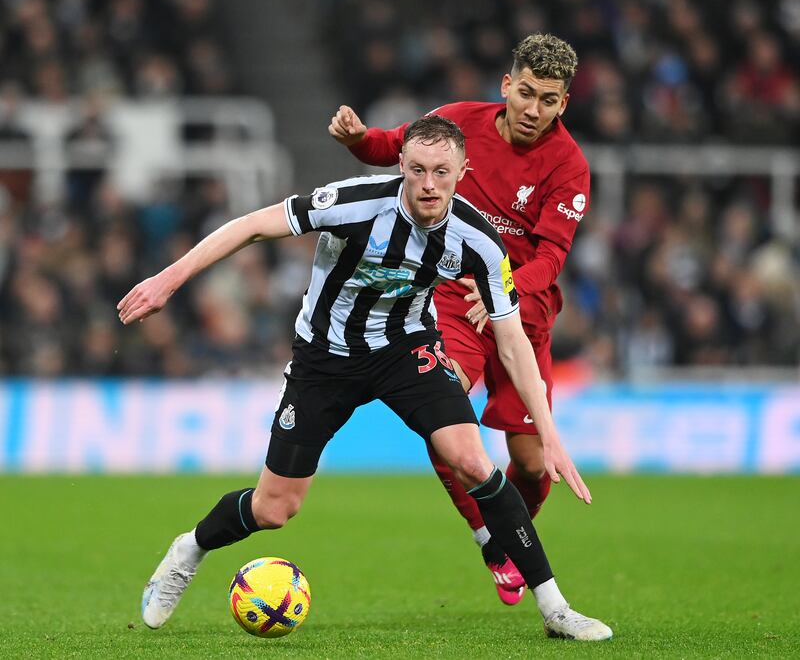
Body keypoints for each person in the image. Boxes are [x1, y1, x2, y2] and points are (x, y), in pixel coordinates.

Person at [119, 116, 611, 641]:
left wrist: (550, 434)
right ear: (400, 165)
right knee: (274, 508)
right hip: (324, 359)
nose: (428, 184)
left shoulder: (480, 242)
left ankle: (555, 609)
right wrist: (166, 281)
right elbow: (253, 225)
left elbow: (513, 342)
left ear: (463, 172)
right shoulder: (354, 203)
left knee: (473, 461)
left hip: (406, 350)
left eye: (441, 172)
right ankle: (189, 549)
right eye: (417, 169)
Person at [329, 33, 590, 607]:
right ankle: (488, 535)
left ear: (563, 104)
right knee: (443, 414)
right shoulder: (457, 123)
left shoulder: (569, 166)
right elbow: (392, 146)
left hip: (524, 313)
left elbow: (549, 259)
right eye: (526, 93)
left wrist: (503, 286)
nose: (533, 109)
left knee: (530, 462)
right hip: (450, 296)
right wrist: (357, 139)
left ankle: (506, 536)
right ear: (506, 86)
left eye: (548, 100)